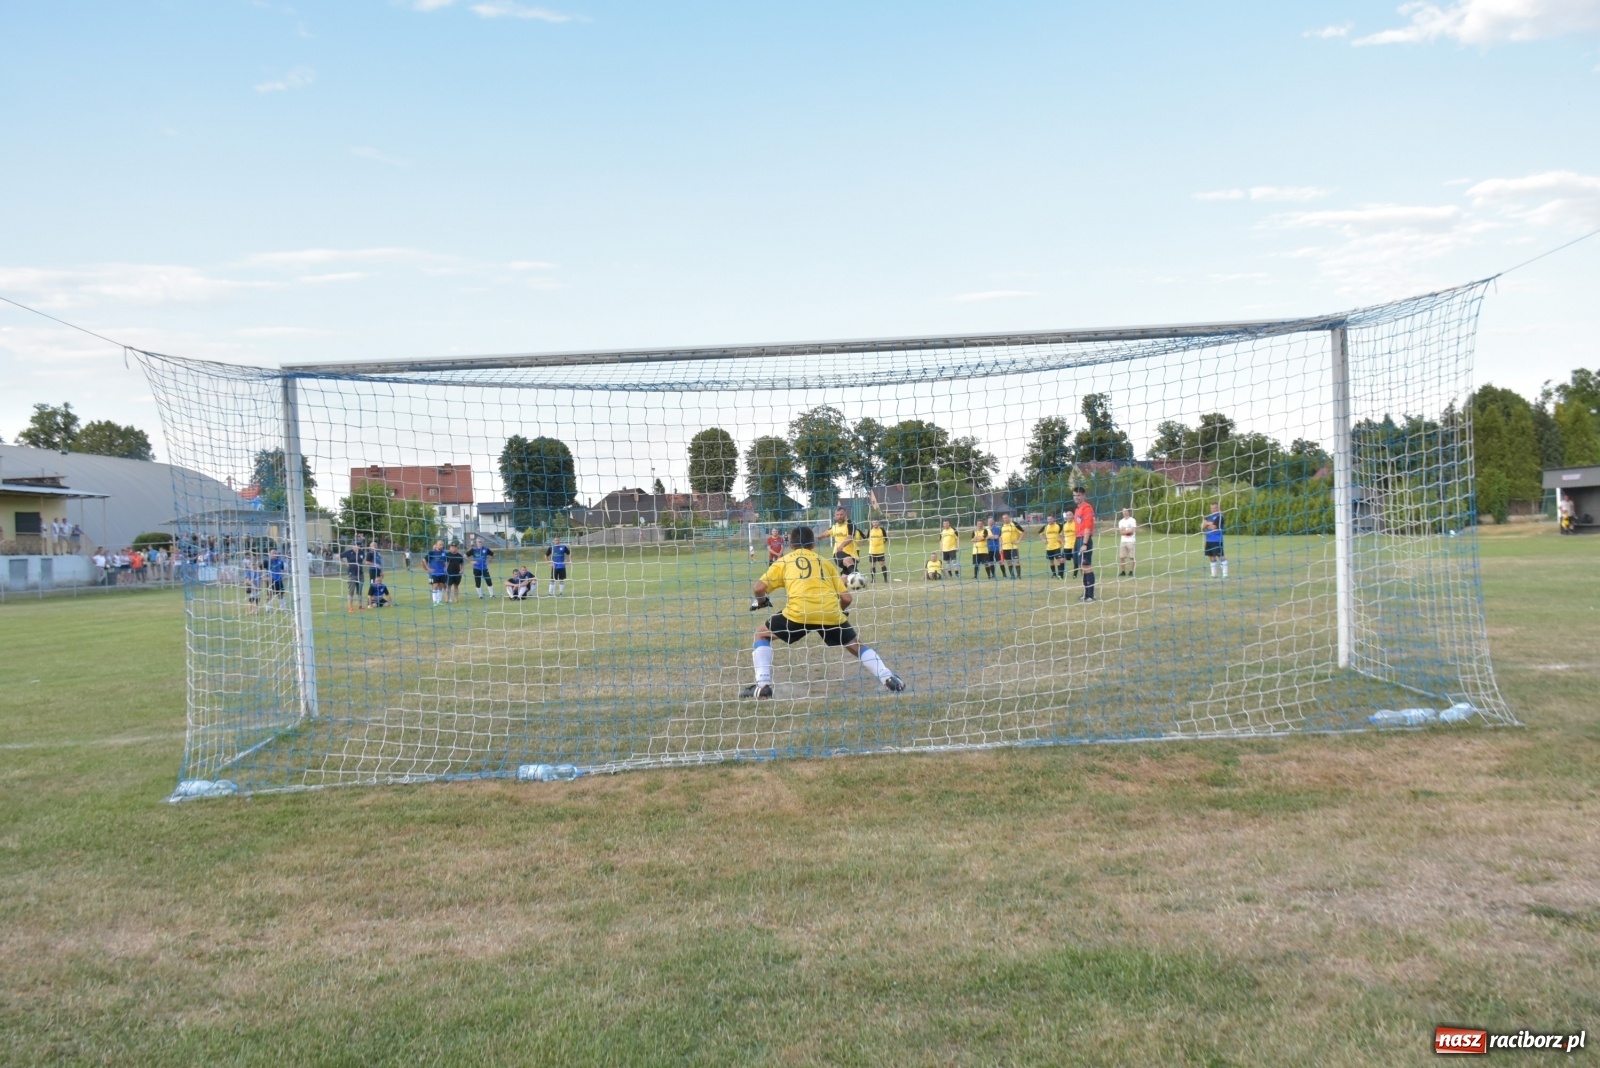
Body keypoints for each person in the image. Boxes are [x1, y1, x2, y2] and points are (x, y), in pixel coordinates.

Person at [741, 525, 905, 699]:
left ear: (790, 545)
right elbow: (847, 599)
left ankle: (763, 685)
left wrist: (762, 602)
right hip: (829, 612)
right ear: (813, 545)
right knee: (856, 645)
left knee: (761, 634)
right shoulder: (826, 563)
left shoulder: (784, 561)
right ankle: (888, 677)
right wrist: (838, 612)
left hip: (798, 613)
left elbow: (758, 588)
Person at [1073, 486, 1097, 603]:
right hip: (1078, 539)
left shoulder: (1087, 508)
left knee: (1086, 566)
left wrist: (1085, 543)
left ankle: (1090, 595)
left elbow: (1087, 527)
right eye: (1074, 495)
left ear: (1084, 496)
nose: (1076, 497)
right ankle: (1085, 593)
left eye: (1078, 495)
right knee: (1082, 567)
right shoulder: (1077, 509)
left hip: (1084, 539)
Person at [827, 508, 865, 579]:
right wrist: (816, 536)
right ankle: (859, 578)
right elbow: (826, 533)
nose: (839, 516)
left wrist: (860, 543)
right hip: (839, 552)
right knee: (848, 560)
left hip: (854, 553)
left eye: (841, 514)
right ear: (835, 516)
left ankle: (847, 582)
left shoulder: (851, 525)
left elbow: (859, 537)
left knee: (845, 577)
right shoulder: (834, 527)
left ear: (845, 515)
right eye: (837, 515)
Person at [998, 512, 1026, 579]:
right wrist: (1000, 547)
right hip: (1005, 548)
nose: (1005, 519)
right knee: (1009, 562)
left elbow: (1023, 532)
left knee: (1017, 561)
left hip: (1013, 547)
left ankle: (1019, 576)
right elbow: (1000, 537)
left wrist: (1018, 541)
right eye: (1003, 518)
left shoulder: (1014, 524)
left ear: (1009, 517)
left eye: (1006, 518)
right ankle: (1012, 576)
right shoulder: (1002, 526)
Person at [1203, 502, 1227, 578]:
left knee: (1220, 556)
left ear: (1218, 508)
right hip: (1208, 540)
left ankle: (1225, 574)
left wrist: (1207, 524)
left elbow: (1214, 527)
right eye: (1212, 508)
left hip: (1217, 540)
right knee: (1211, 557)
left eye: (1215, 508)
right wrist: (1209, 524)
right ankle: (1214, 574)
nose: (1213, 509)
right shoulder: (1209, 516)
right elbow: (1202, 526)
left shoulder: (1220, 516)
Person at [340, 540, 364, 611]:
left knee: (359, 591)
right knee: (351, 591)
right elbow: (339, 556)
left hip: (360, 574)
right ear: (353, 546)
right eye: (356, 545)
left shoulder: (362, 552)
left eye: (359, 545)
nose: (358, 547)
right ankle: (350, 607)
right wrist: (346, 564)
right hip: (352, 574)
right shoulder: (349, 552)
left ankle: (360, 606)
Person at [1040, 512, 1066, 579]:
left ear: (1054, 519)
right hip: (1049, 547)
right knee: (1051, 561)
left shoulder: (1059, 526)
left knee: (1059, 560)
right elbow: (1040, 533)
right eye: (1048, 519)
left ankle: (1060, 574)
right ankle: (1054, 574)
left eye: (1051, 519)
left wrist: (1061, 540)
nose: (1049, 520)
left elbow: (1062, 533)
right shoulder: (1046, 527)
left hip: (1057, 546)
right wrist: (1043, 539)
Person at [425, 540, 448, 605]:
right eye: (440, 545)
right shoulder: (431, 553)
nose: (441, 546)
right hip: (433, 574)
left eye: (442, 545)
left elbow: (446, 561)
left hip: (441, 573)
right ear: (436, 545)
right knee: (434, 586)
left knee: (440, 586)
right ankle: (435, 601)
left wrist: (446, 567)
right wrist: (427, 569)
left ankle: (439, 601)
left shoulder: (444, 553)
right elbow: (424, 561)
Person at [1117, 508, 1138, 576]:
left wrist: (1125, 531)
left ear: (1129, 512)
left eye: (1126, 511)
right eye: (1123, 511)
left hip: (1131, 541)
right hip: (1123, 541)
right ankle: (1123, 571)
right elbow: (1121, 532)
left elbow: (1132, 531)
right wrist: (1126, 532)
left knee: (1131, 557)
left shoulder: (1132, 520)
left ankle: (1131, 571)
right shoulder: (1121, 521)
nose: (1124, 512)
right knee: (1122, 557)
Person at [986, 514, 1001, 579]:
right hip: (989, 548)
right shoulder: (986, 529)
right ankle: (993, 575)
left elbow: (997, 537)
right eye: (989, 521)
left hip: (996, 548)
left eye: (991, 521)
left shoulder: (997, 528)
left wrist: (989, 537)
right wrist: (991, 536)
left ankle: (1004, 574)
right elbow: (985, 537)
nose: (990, 522)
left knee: (1000, 561)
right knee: (991, 562)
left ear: (993, 521)